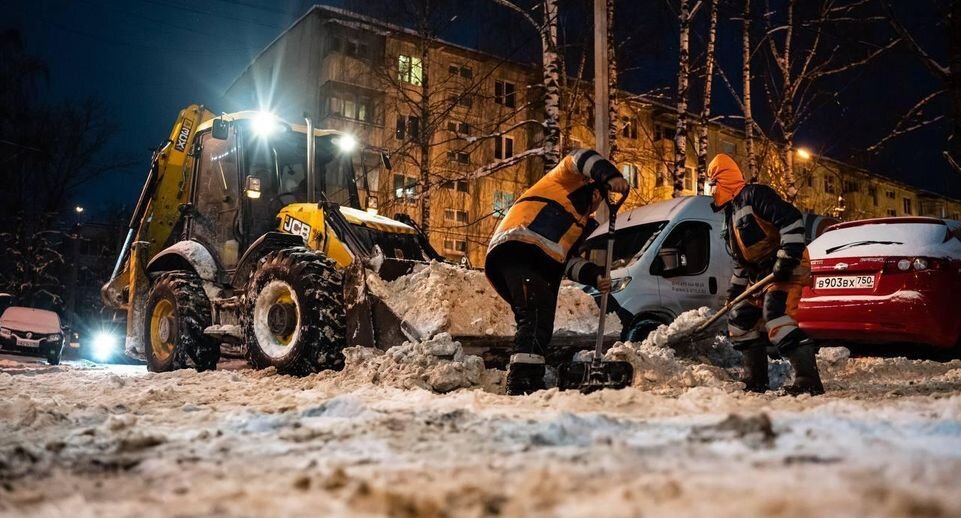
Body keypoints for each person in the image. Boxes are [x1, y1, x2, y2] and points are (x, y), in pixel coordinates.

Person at [486, 149, 630, 395]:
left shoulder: (581, 223)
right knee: (534, 311)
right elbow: (581, 157)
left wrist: (595, 276)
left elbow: (569, 263)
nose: (596, 203)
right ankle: (520, 382)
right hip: (517, 247)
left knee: (541, 320)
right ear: (593, 186)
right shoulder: (563, 179)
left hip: (542, 265)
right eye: (598, 195)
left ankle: (532, 379)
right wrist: (610, 174)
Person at [708, 153, 825, 395]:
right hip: (760, 275)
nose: (710, 192)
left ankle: (807, 381)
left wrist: (786, 258)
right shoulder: (729, 216)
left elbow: (791, 220)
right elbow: (741, 263)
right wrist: (734, 294)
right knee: (740, 320)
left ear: (723, 181)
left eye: (712, 185)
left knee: (777, 316)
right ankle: (756, 381)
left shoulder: (755, 195)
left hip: (787, 267)